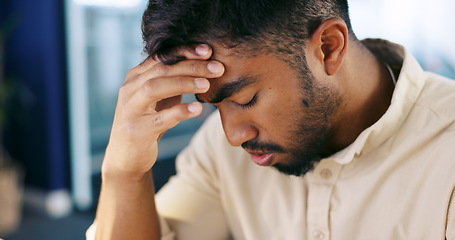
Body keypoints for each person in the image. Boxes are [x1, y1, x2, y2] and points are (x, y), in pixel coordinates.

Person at [87, 0, 455, 239]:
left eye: (246, 99)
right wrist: (125, 172)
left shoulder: (446, 150)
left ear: (328, 47)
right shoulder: (222, 150)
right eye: (215, 106)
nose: (232, 135)